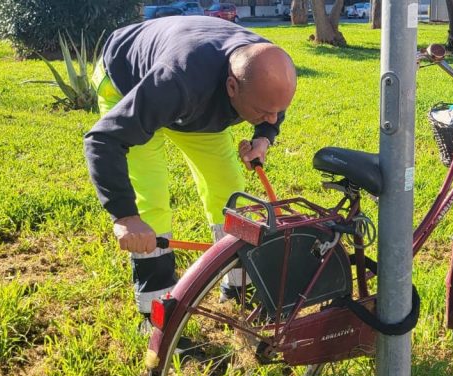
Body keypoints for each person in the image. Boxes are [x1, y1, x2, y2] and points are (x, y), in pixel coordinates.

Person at [83, 16, 297, 324]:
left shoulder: (267, 66)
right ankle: (156, 316)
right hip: (127, 82)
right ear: (232, 87)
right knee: (150, 198)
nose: (274, 117)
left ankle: (238, 288)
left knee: (229, 191)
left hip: (195, 99)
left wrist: (264, 135)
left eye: (278, 111)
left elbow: (274, 104)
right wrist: (125, 217)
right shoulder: (177, 80)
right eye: (264, 112)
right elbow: (104, 139)